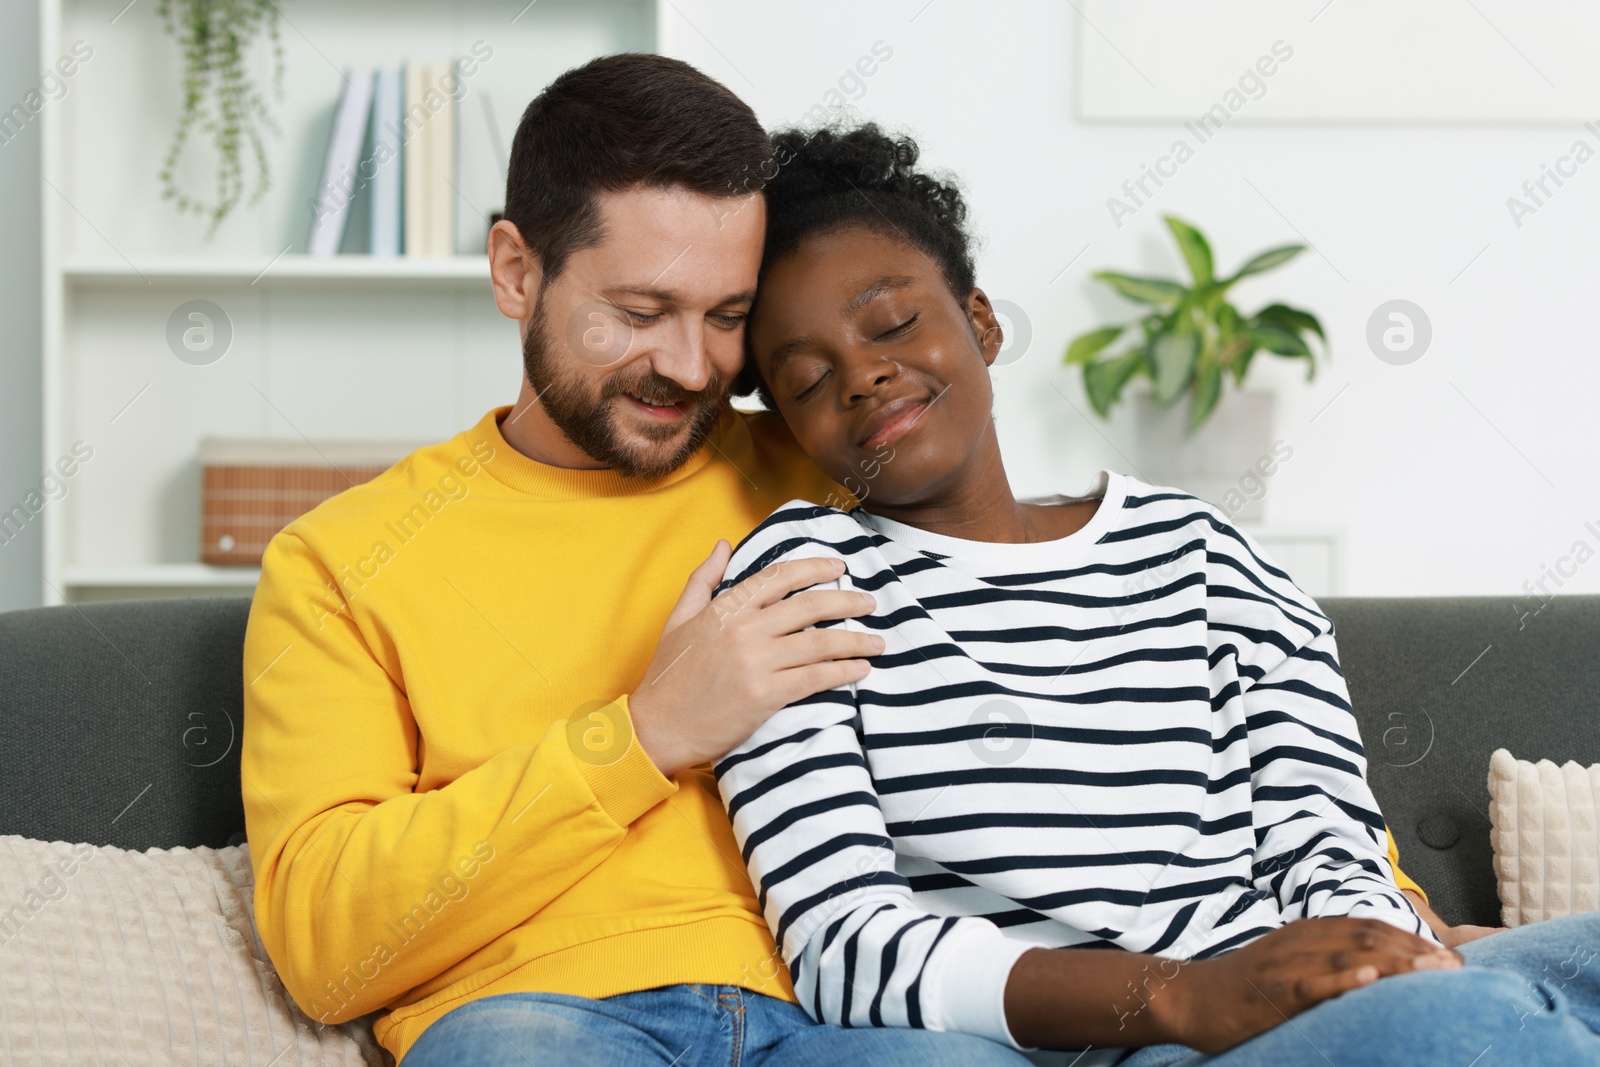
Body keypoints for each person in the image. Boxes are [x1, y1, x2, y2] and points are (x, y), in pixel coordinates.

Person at [711, 122, 1600, 1066]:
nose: (864, 374)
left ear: (981, 321)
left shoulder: (1207, 552)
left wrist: (1380, 956)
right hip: (1123, 1040)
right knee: (1470, 1026)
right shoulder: (798, 584)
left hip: (1308, 1002)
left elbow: (1326, 838)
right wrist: (1183, 996)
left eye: (894, 325)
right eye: (807, 379)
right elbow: (848, 946)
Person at [241, 56, 1027, 1067]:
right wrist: (647, 730)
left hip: (843, 1020)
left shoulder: (829, 466)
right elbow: (326, 946)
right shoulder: (341, 560)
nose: (692, 366)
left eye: (727, 316)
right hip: (540, 1016)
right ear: (517, 271)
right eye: (641, 312)